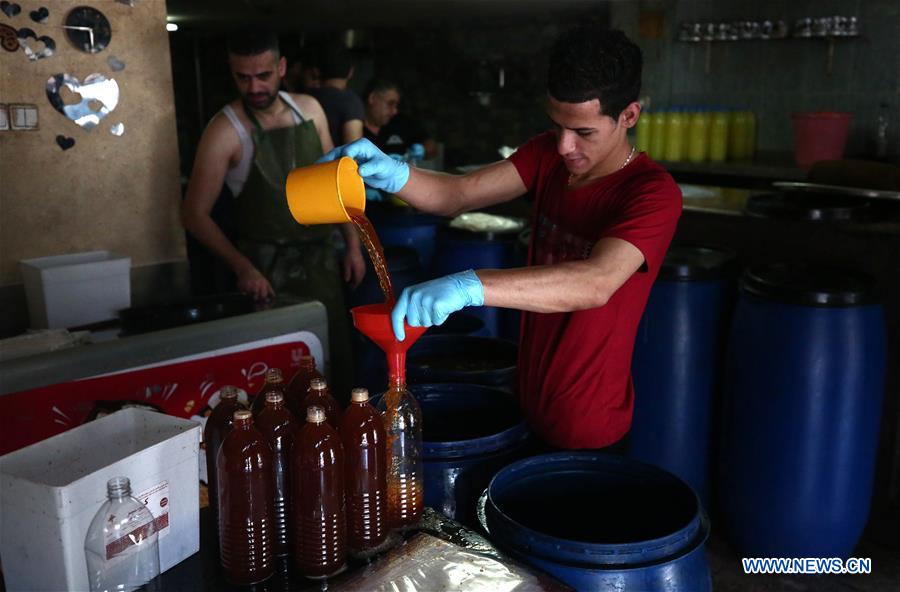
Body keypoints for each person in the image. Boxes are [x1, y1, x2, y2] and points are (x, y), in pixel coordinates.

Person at [322, 26, 682, 450]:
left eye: (583, 132)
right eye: (556, 125)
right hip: (527, 404)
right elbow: (457, 193)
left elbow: (596, 282)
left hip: (590, 427)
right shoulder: (548, 155)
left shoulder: (651, 194)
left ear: (629, 116)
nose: (565, 146)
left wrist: (471, 285)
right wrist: (394, 173)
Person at [181, 27, 364, 398]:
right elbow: (194, 214)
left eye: (263, 75)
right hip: (265, 272)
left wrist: (353, 246)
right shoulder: (224, 131)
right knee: (278, 382)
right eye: (243, 78)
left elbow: (335, 183)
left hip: (321, 263)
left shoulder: (309, 110)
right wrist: (243, 268)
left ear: (281, 67)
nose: (254, 88)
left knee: (330, 370)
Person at [362, 78, 436, 158]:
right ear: (372, 98)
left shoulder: (401, 122)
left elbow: (432, 147)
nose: (394, 111)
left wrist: (423, 150)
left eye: (396, 105)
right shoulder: (355, 126)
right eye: (390, 104)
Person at [308, 43, 366, 146]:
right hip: (334, 161)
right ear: (351, 72)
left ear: (316, 72)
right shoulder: (351, 102)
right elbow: (354, 151)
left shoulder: (305, 99)